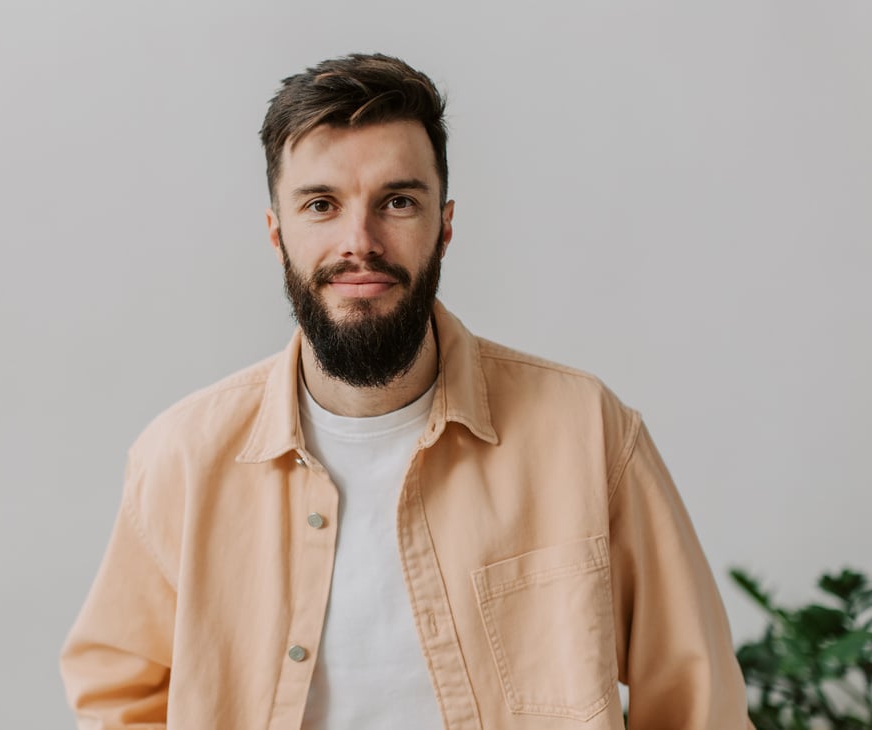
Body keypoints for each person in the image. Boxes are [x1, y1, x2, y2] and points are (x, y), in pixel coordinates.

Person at [60, 53, 752, 729]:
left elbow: (699, 702)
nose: (358, 241)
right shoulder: (181, 456)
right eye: (321, 205)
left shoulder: (585, 431)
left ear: (444, 227)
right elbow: (116, 696)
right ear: (277, 234)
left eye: (396, 201)